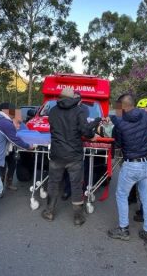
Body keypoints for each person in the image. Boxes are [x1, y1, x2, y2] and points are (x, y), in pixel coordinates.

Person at [107, 94, 147, 245]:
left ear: (123, 107)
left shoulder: (120, 123)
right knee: (146, 197)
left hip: (132, 164)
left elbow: (118, 144)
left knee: (121, 194)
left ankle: (123, 229)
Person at [42, 88, 100, 226]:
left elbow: (53, 129)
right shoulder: (79, 110)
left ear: (60, 97)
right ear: (73, 97)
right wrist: (93, 135)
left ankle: (49, 212)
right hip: (74, 155)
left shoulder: (53, 111)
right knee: (76, 185)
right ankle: (78, 217)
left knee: (53, 183)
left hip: (57, 154)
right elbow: (85, 131)